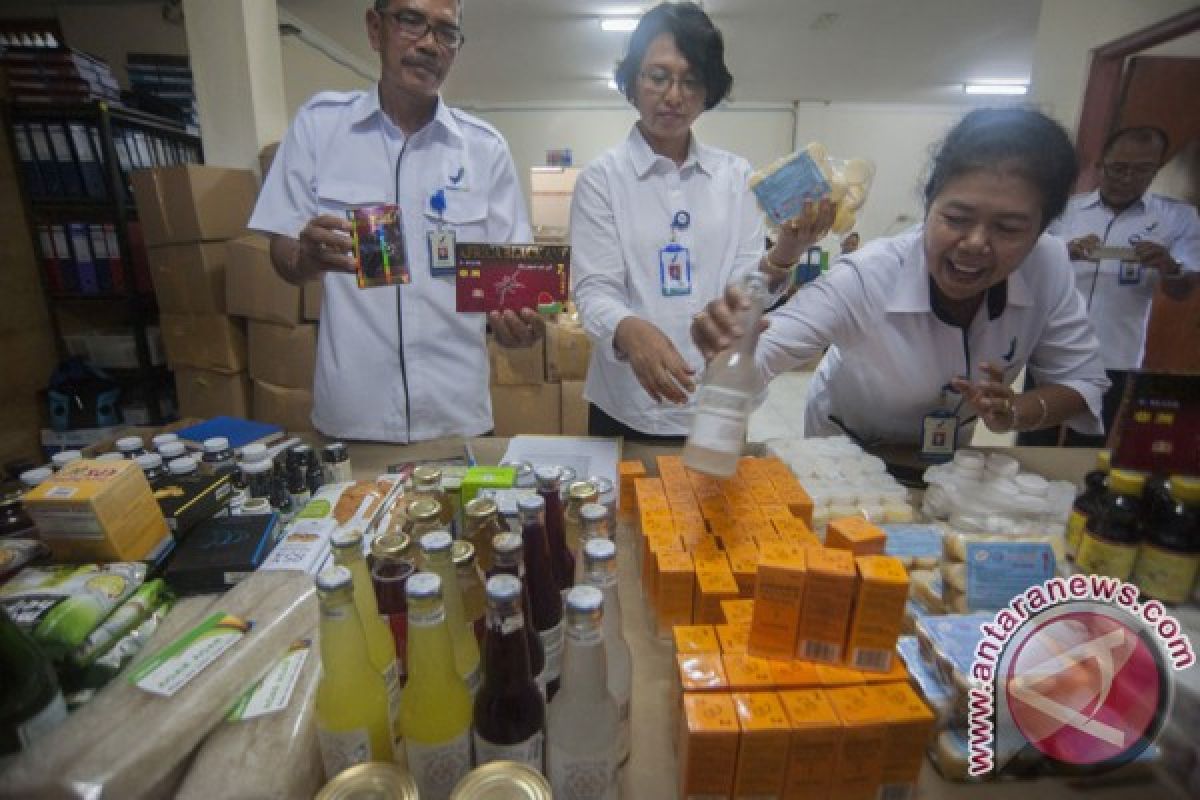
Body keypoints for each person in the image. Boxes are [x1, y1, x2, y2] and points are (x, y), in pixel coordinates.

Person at [691, 108, 1110, 449]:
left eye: (1009, 228)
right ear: (929, 205)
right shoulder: (867, 277)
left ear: (1042, 230)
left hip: (950, 460)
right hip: (847, 452)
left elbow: (1083, 380)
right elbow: (764, 353)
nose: (975, 244)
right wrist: (730, 348)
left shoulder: (1048, 265)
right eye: (957, 219)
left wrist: (1017, 409)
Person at [249, 0, 543, 442]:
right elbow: (282, 255)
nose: (429, 44)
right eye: (410, 20)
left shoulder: (485, 150)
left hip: (457, 417)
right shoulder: (320, 127)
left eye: (446, 32)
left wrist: (518, 327)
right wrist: (306, 258)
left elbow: (515, 288)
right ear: (374, 28)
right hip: (353, 418)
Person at [570, 1, 833, 441]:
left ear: (707, 91)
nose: (674, 95)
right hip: (628, 405)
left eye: (691, 81)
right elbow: (595, 289)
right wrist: (629, 330)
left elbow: (745, 292)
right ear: (633, 81)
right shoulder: (603, 179)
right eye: (658, 77)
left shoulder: (735, 178)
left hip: (718, 399)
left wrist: (784, 254)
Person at [1020, 126, 1199, 447]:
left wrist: (1169, 266)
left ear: (1156, 169)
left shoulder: (1178, 217)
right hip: (1050, 347)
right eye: (1118, 168)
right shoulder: (1065, 210)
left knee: (1087, 445)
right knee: (1035, 436)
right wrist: (1063, 252)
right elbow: (1024, 266)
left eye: (1142, 169)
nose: (1127, 178)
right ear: (1101, 165)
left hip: (1115, 353)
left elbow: (1182, 290)